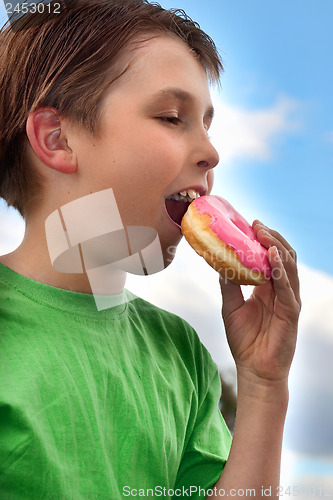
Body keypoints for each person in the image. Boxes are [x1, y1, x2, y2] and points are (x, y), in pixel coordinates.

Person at [0, 0, 301, 498]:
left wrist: (265, 386)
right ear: (58, 139)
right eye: (170, 117)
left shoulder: (180, 352)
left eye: (207, 123)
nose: (211, 152)